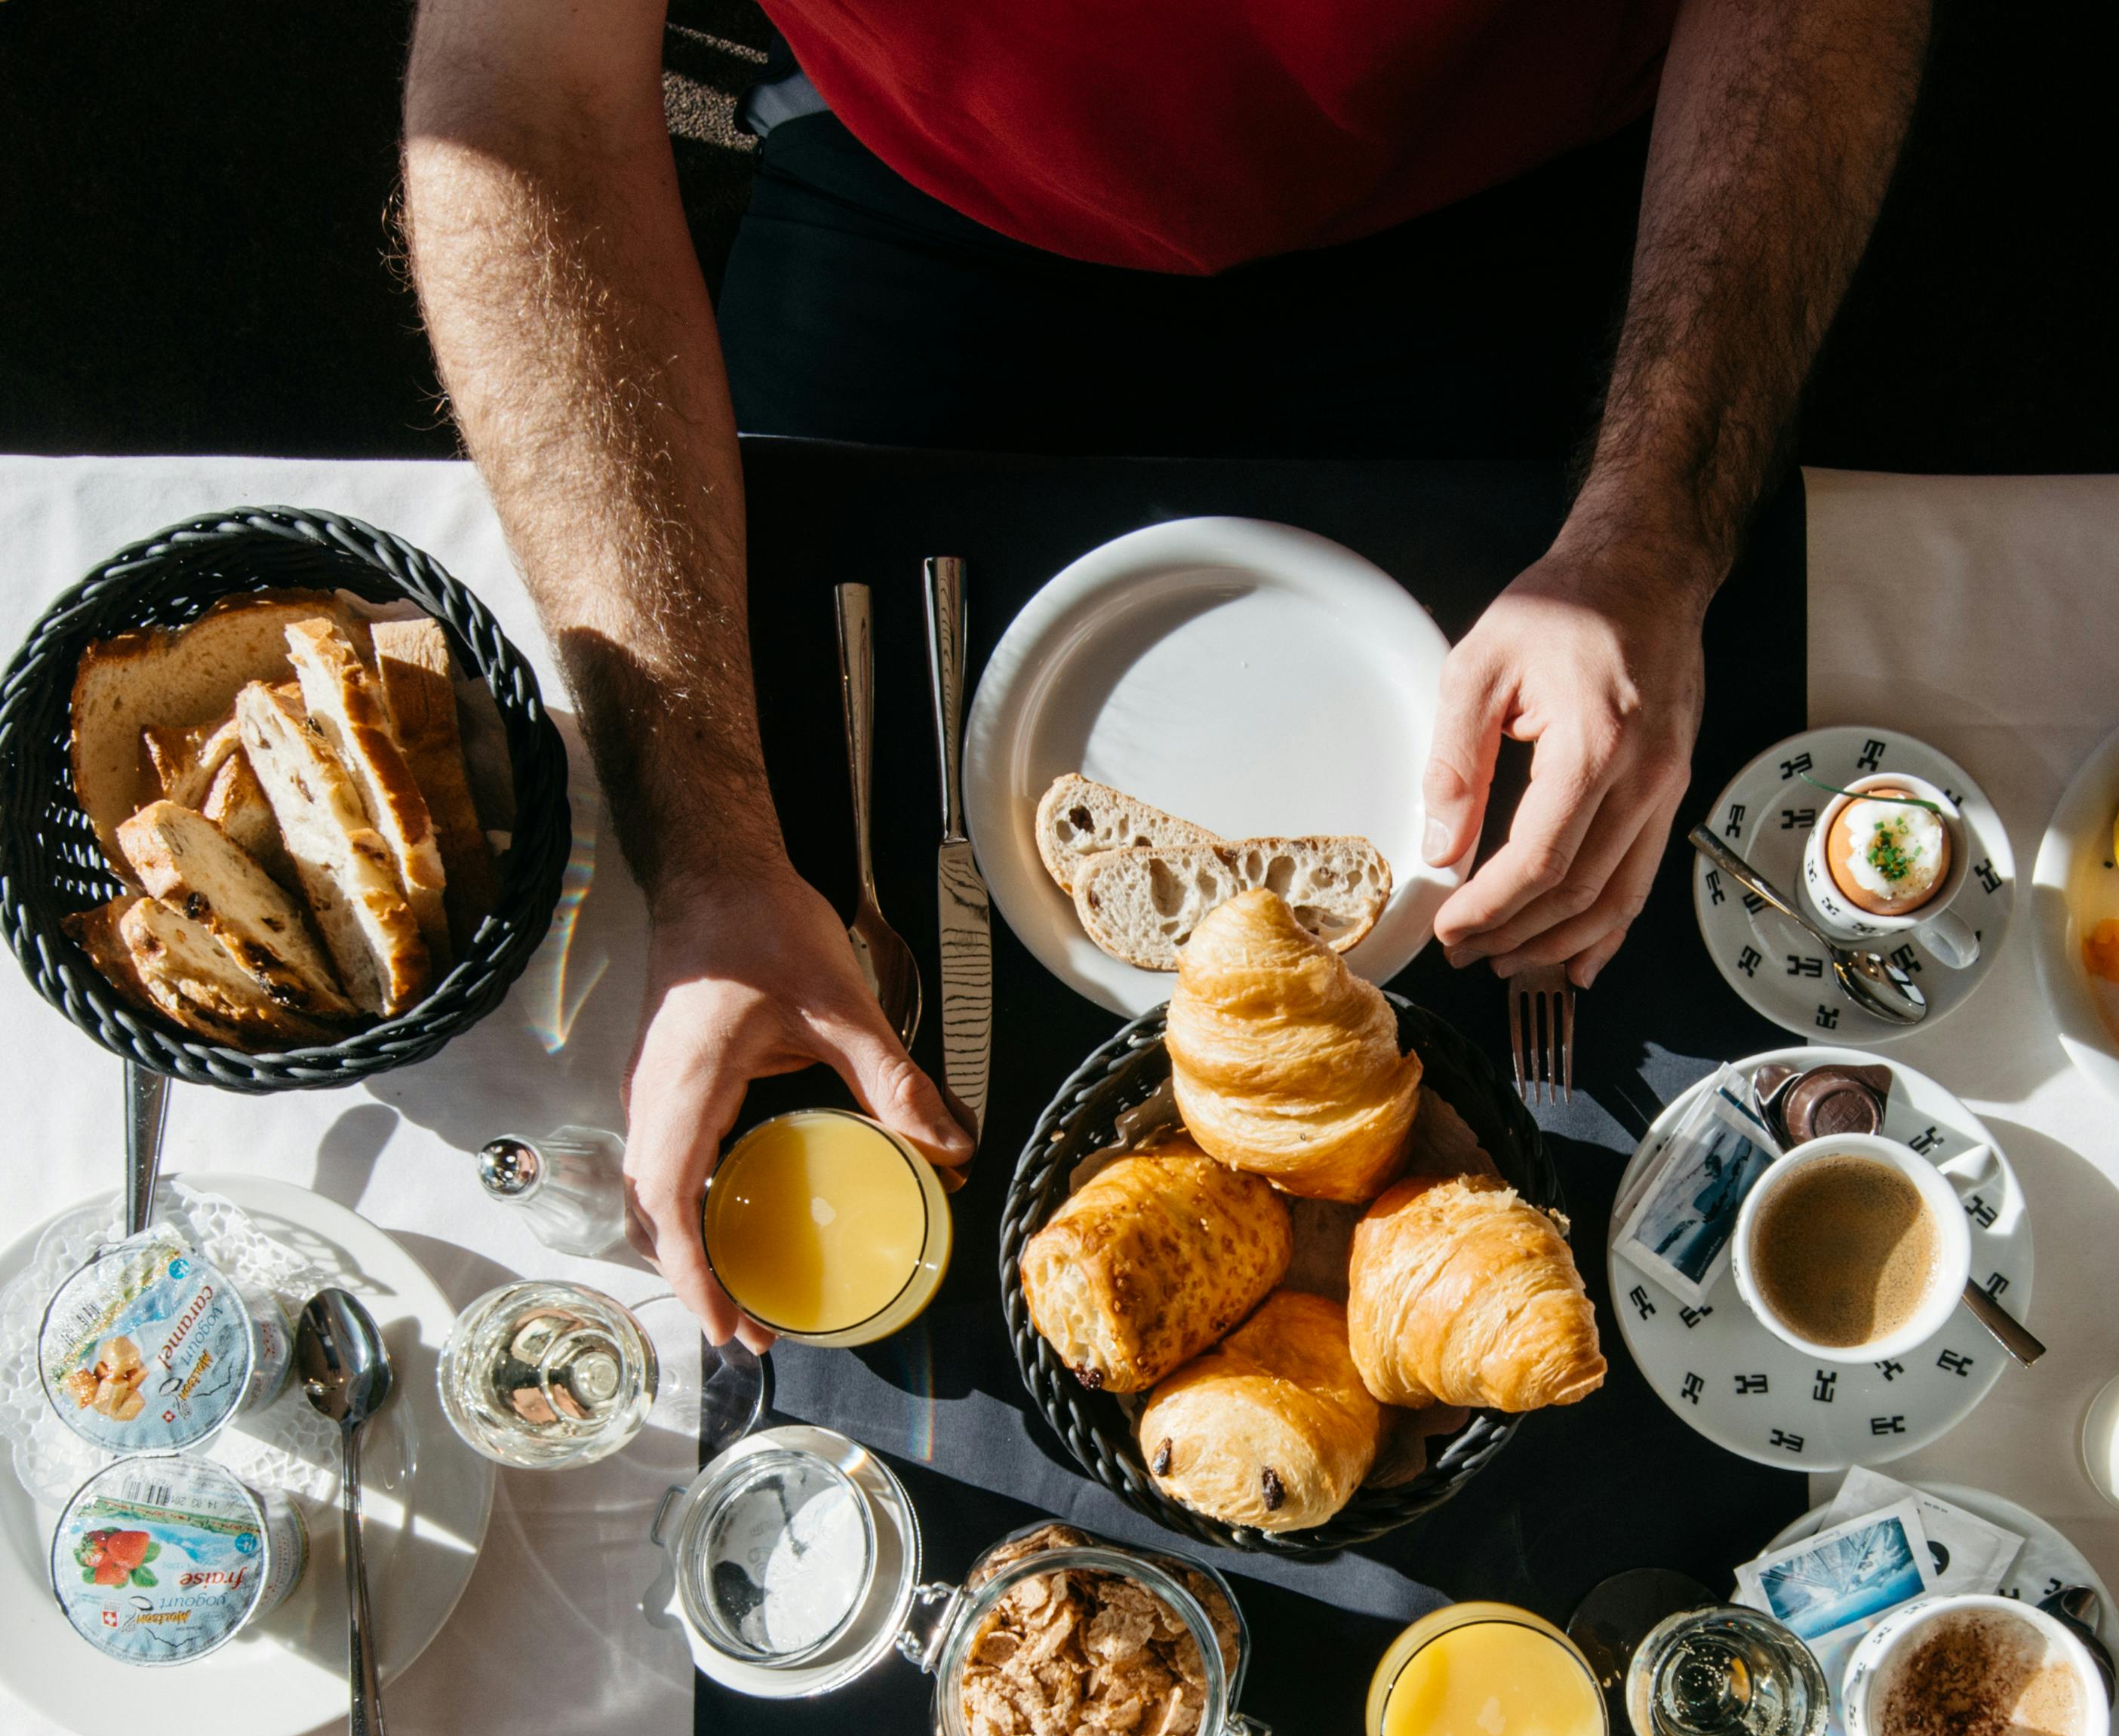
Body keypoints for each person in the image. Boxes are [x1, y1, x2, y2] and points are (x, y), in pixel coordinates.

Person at [402, 0, 1929, 1347]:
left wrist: (1653, 538)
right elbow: (515, 93)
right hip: (919, 192)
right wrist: (708, 844)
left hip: (1497, 187)